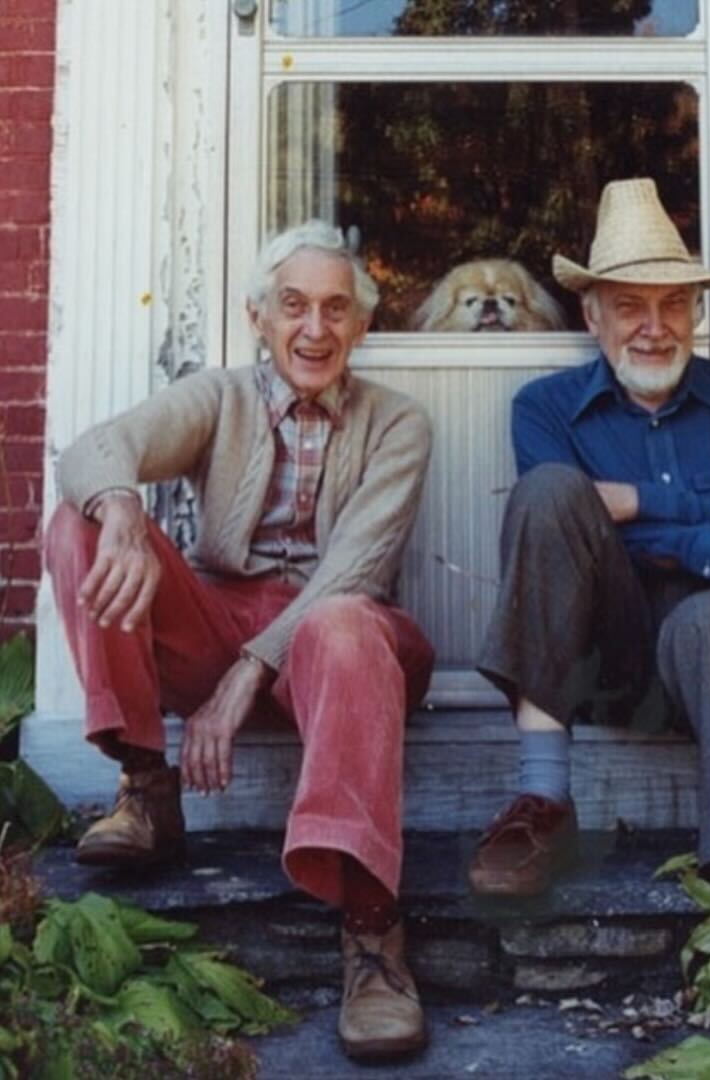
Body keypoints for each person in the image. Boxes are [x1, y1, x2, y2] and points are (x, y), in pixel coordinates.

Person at [44, 220, 435, 1060]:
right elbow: (94, 448)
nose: (315, 329)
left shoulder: (399, 422)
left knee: (339, 623)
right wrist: (118, 511)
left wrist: (246, 676)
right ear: (259, 316)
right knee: (77, 526)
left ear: (361, 327)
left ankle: (372, 933)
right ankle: (147, 786)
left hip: (342, 638)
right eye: (294, 306)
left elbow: (354, 570)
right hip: (222, 625)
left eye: (337, 310)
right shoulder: (219, 397)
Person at [469, 179, 710, 948]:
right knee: (550, 492)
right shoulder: (545, 408)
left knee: (706, 618)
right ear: (592, 314)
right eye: (630, 306)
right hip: (605, 660)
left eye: (673, 305)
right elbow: (561, 532)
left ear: (696, 313)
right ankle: (543, 804)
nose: (654, 329)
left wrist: (642, 502)